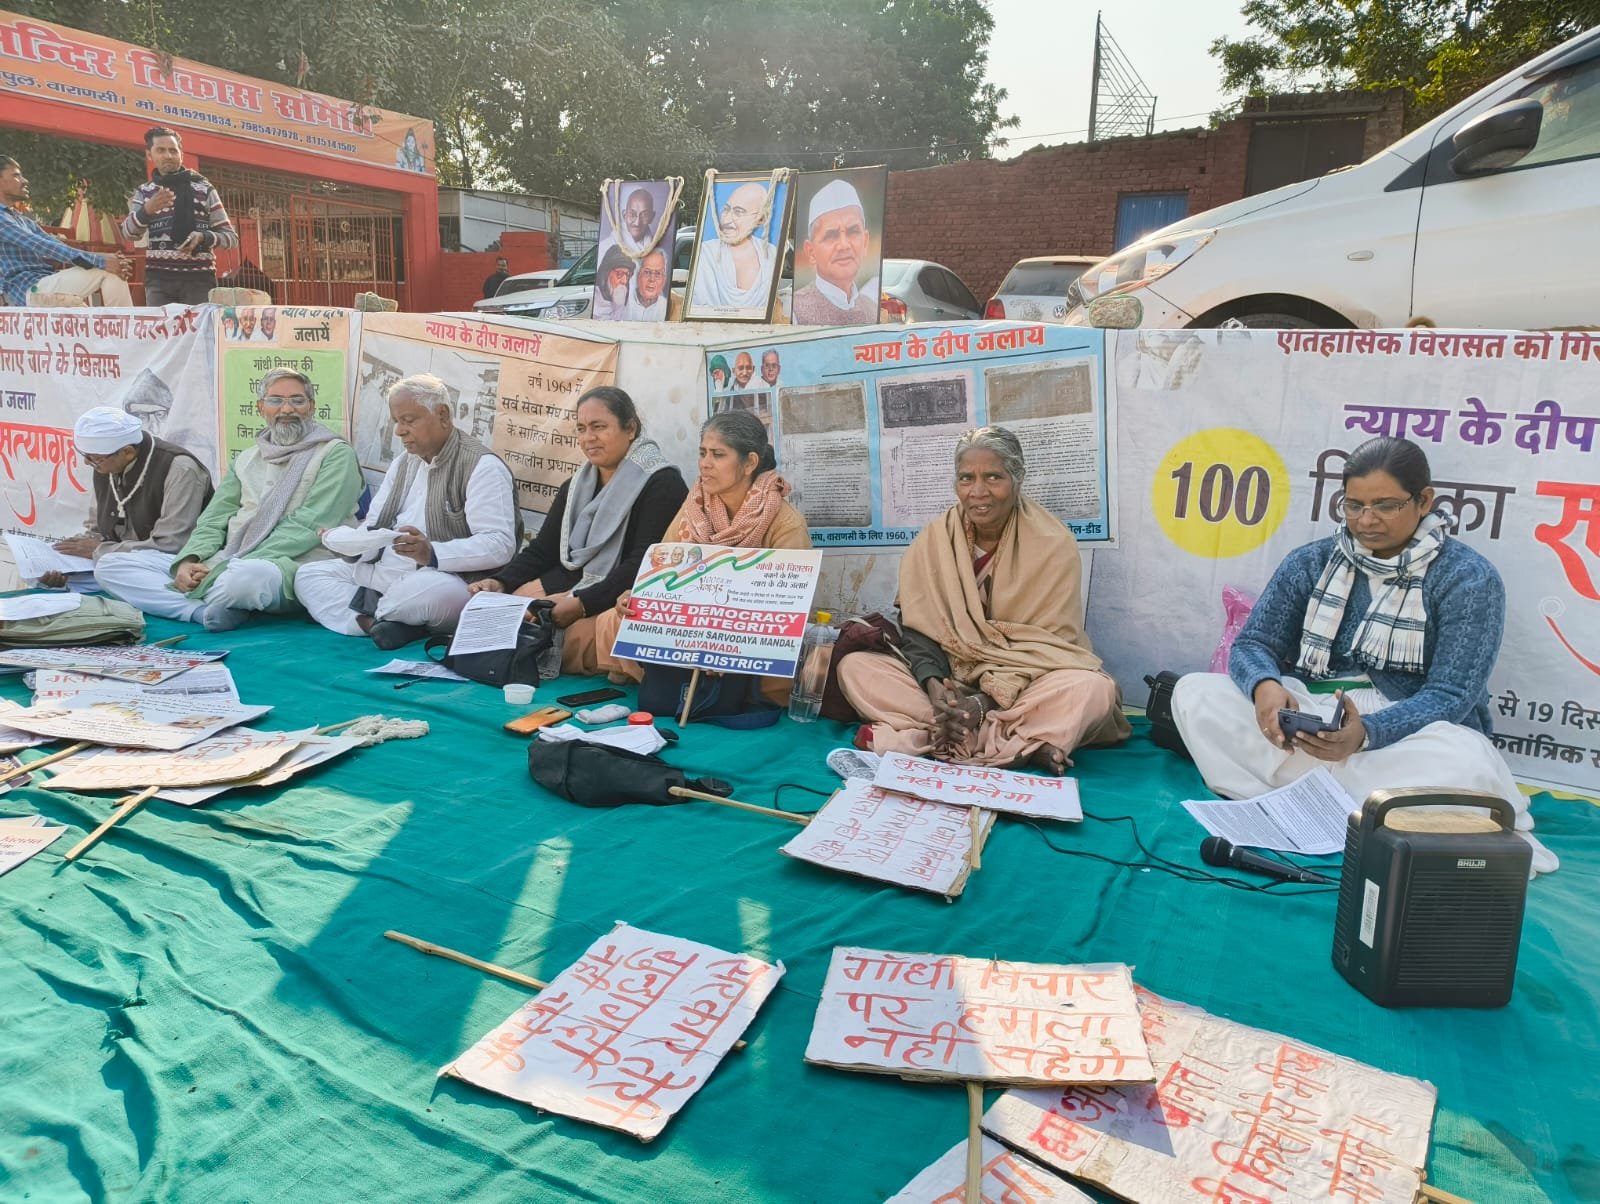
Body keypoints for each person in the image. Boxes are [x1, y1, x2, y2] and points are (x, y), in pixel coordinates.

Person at [1171, 435, 1557, 873]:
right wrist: (1266, 689)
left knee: (1464, 762)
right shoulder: (1312, 562)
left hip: (1409, 732)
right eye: (1353, 506)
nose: (1366, 520)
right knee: (1195, 693)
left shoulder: (1469, 579)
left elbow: (1452, 693)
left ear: (1424, 500)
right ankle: (1355, 803)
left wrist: (1366, 733)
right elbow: (1255, 644)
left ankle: (1306, 795)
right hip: (1314, 713)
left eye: (1385, 506)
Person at [838, 426, 1128, 771]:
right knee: (855, 667)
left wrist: (981, 702)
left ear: (1017, 478)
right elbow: (918, 629)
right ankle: (1012, 741)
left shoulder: (1054, 545)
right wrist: (934, 686)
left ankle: (942, 735)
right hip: (950, 681)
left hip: (1026, 683)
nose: (978, 492)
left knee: (1091, 688)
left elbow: (1049, 650)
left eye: (993, 477)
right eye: (966, 478)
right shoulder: (933, 542)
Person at [94, 369, 362, 631]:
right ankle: (200, 612)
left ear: (311, 406)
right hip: (227, 558)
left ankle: (208, 596)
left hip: (288, 565)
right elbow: (213, 519)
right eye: (276, 400)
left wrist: (222, 568)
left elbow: (311, 524)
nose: (287, 409)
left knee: (244, 580)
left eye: (297, 400)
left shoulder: (335, 454)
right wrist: (190, 560)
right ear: (261, 407)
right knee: (112, 565)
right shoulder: (247, 458)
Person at [594, 410, 810, 704]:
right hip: (692, 624)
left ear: (750, 463)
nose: (705, 464)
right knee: (616, 619)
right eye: (702, 453)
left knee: (787, 659)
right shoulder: (695, 505)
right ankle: (673, 687)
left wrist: (723, 639)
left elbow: (788, 611)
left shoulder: (786, 524)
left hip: (745, 634)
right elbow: (664, 570)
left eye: (718, 455)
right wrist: (639, 596)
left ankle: (703, 689)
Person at [467, 387, 687, 674]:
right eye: (581, 429)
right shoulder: (576, 486)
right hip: (563, 586)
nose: (588, 438)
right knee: (493, 619)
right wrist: (501, 582)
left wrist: (581, 604)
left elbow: (643, 563)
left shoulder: (662, 484)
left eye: (599, 427)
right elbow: (542, 550)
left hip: (612, 596)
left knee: (552, 641)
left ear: (630, 428)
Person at [298, 374, 519, 650]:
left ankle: (376, 615)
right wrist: (348, 545)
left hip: (444, 579)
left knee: (423, 594)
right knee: (308, 575)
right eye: (396, 421)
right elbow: (375, 526)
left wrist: (433, 553)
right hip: (383, 573)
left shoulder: (481, 466)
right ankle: (376, 624)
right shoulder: (404, 462)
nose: (399, 431)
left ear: (442, 415)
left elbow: (500, 544)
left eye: (409, 420)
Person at [35, 408, 214, 593]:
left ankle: (194, 612)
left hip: (173, 563)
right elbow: (96, 531)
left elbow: (171, 545)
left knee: (109, 571)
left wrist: (100, 551)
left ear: (127, 452)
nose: (87, 463)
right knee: (52, 580)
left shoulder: (180, 470)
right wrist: (65, 561)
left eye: (94, 458)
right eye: (85, 455)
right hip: (118, 562)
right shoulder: (107, 466)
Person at [121, 127, 239, 306]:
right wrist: (147, 210)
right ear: (149, 154)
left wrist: (203, 237)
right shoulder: (145, 193)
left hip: (199, 281)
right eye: (160, 150)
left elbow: (231, 238)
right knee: (162, 333)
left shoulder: (204, 189)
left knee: (198, 333)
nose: (168, 155)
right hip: (158, 282)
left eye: (173, 150)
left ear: (181, 154)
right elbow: (128, 233)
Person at [0, 156, 133, 306]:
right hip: (28, 290)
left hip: (45, 284)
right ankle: (126, 327)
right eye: (16, 175)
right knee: (110, 270)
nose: (25, 180)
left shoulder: (23, 220)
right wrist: (101, 260)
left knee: (113, 269)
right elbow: (44, 246)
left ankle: (122, 325)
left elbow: (56, 244)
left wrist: (100, 258)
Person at [791, 178, 879, 325]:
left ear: (865, 242)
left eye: (853, 231)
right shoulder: (794, 311)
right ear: (811, 252)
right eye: (831, 235)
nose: (844, 245)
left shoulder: (872, 309)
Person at [689, 181, 778, 313]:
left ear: (761, 219)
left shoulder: (771, 254)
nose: (726, 220)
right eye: (726, 210)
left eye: (738, 212)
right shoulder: (706, 252)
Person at [592, 244, 635, 321]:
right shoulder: (594, 297)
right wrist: (618, 308)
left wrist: (620, 306)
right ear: (606, 273)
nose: (624, 281)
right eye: (619, 274)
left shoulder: (628, 299)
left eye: (628, 275)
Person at [625, 247, 669, 321]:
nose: (652, 279)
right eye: (647, 272)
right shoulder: (624, 302)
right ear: (638, 275)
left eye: (658, 274)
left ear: (664, 280)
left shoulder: (667, 307)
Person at [619, 187, 658, 254]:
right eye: (632, 215)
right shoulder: (607, 245)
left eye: (644, 215)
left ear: (652, 217)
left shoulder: (658, 247)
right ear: (624, 215)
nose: (637, 223)